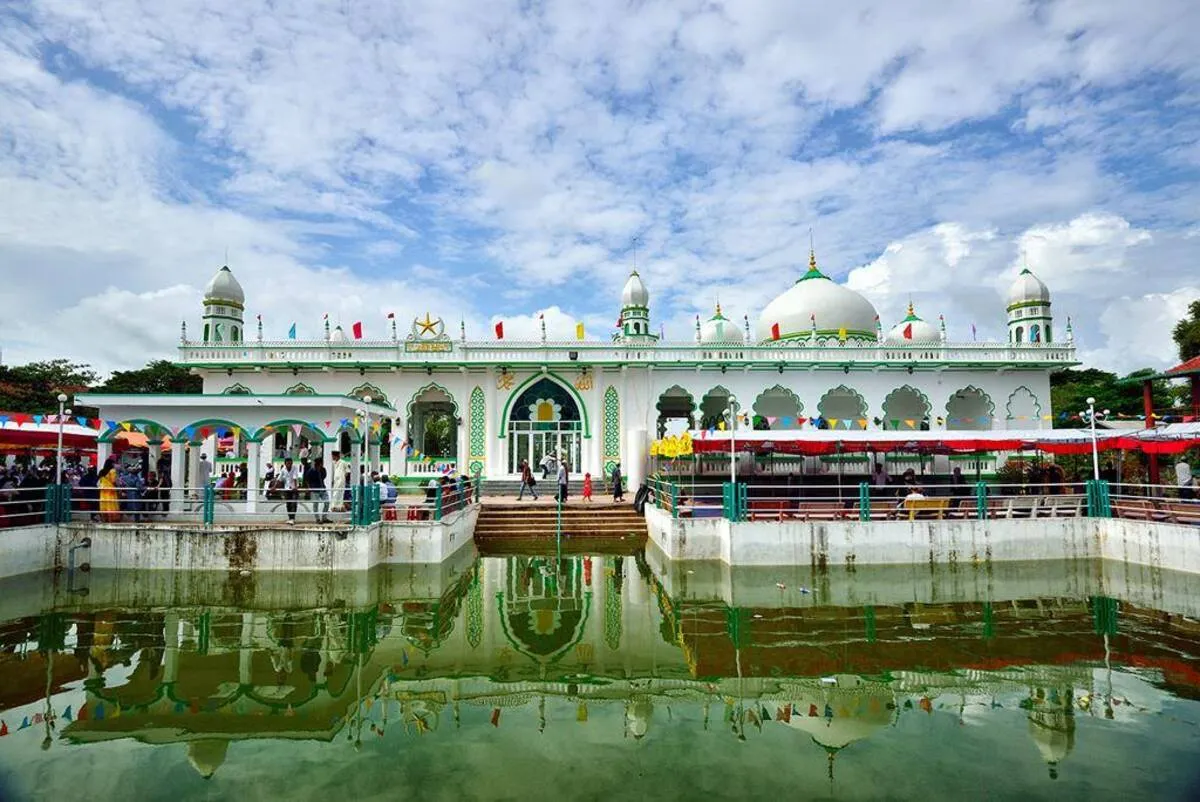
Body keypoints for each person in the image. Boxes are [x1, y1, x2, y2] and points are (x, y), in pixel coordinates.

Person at [305, 457, 330, 523]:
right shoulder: (311, 470)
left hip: (323, 488)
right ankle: (317, 519)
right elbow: (307, 479)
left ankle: (324, 517)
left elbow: (324, 477)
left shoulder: (323, 470)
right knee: (315, 504)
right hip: (315, 489)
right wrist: (309, 487)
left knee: (327, 502)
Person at [279, 457, 302, 525]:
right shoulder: (283, 469)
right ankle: (290, 518)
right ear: (285, 464)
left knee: (294, 503)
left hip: (294, 489)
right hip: (287, 489)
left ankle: (292, 518)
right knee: (288, 504)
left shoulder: (294, 468)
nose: (289, 465)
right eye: (288, 463)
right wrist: (274, 487)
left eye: (290, 463)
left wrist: (295, 487)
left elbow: (295, 477)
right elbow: (279, 479)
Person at [98, 458, 120, 523]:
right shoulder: (112, 471)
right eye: (113, 463)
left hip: (103, 490)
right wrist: (118, 487)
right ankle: (111, 521)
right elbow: (113, 481)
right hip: (110, 490)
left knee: (104, 505)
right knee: (111, 505)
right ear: (111, 464)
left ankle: (104, 520)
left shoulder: (101, 471)